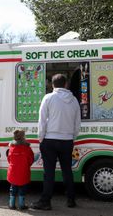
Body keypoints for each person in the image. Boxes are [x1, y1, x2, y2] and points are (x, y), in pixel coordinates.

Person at [31, 74, 81, 210]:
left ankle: (45, 201)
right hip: (67, 141)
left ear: (52, 85)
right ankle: (71, 200)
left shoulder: (48, 98)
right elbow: (77, 123)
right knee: (67, 171)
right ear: (66, 84)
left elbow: (42, 121)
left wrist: (41, 138)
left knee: (49, 172)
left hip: (50, 140)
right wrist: (72, 137)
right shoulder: (74, 101)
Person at [7, 130, 34, 210]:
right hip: (23, 172)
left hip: (13, 173)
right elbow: (31, 159)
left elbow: (9, 160)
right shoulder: (27, 148)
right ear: (23, 137)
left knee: (13, 188)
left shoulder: (11, 148)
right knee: (22, 189)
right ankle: (21, 205)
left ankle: (11, 204)